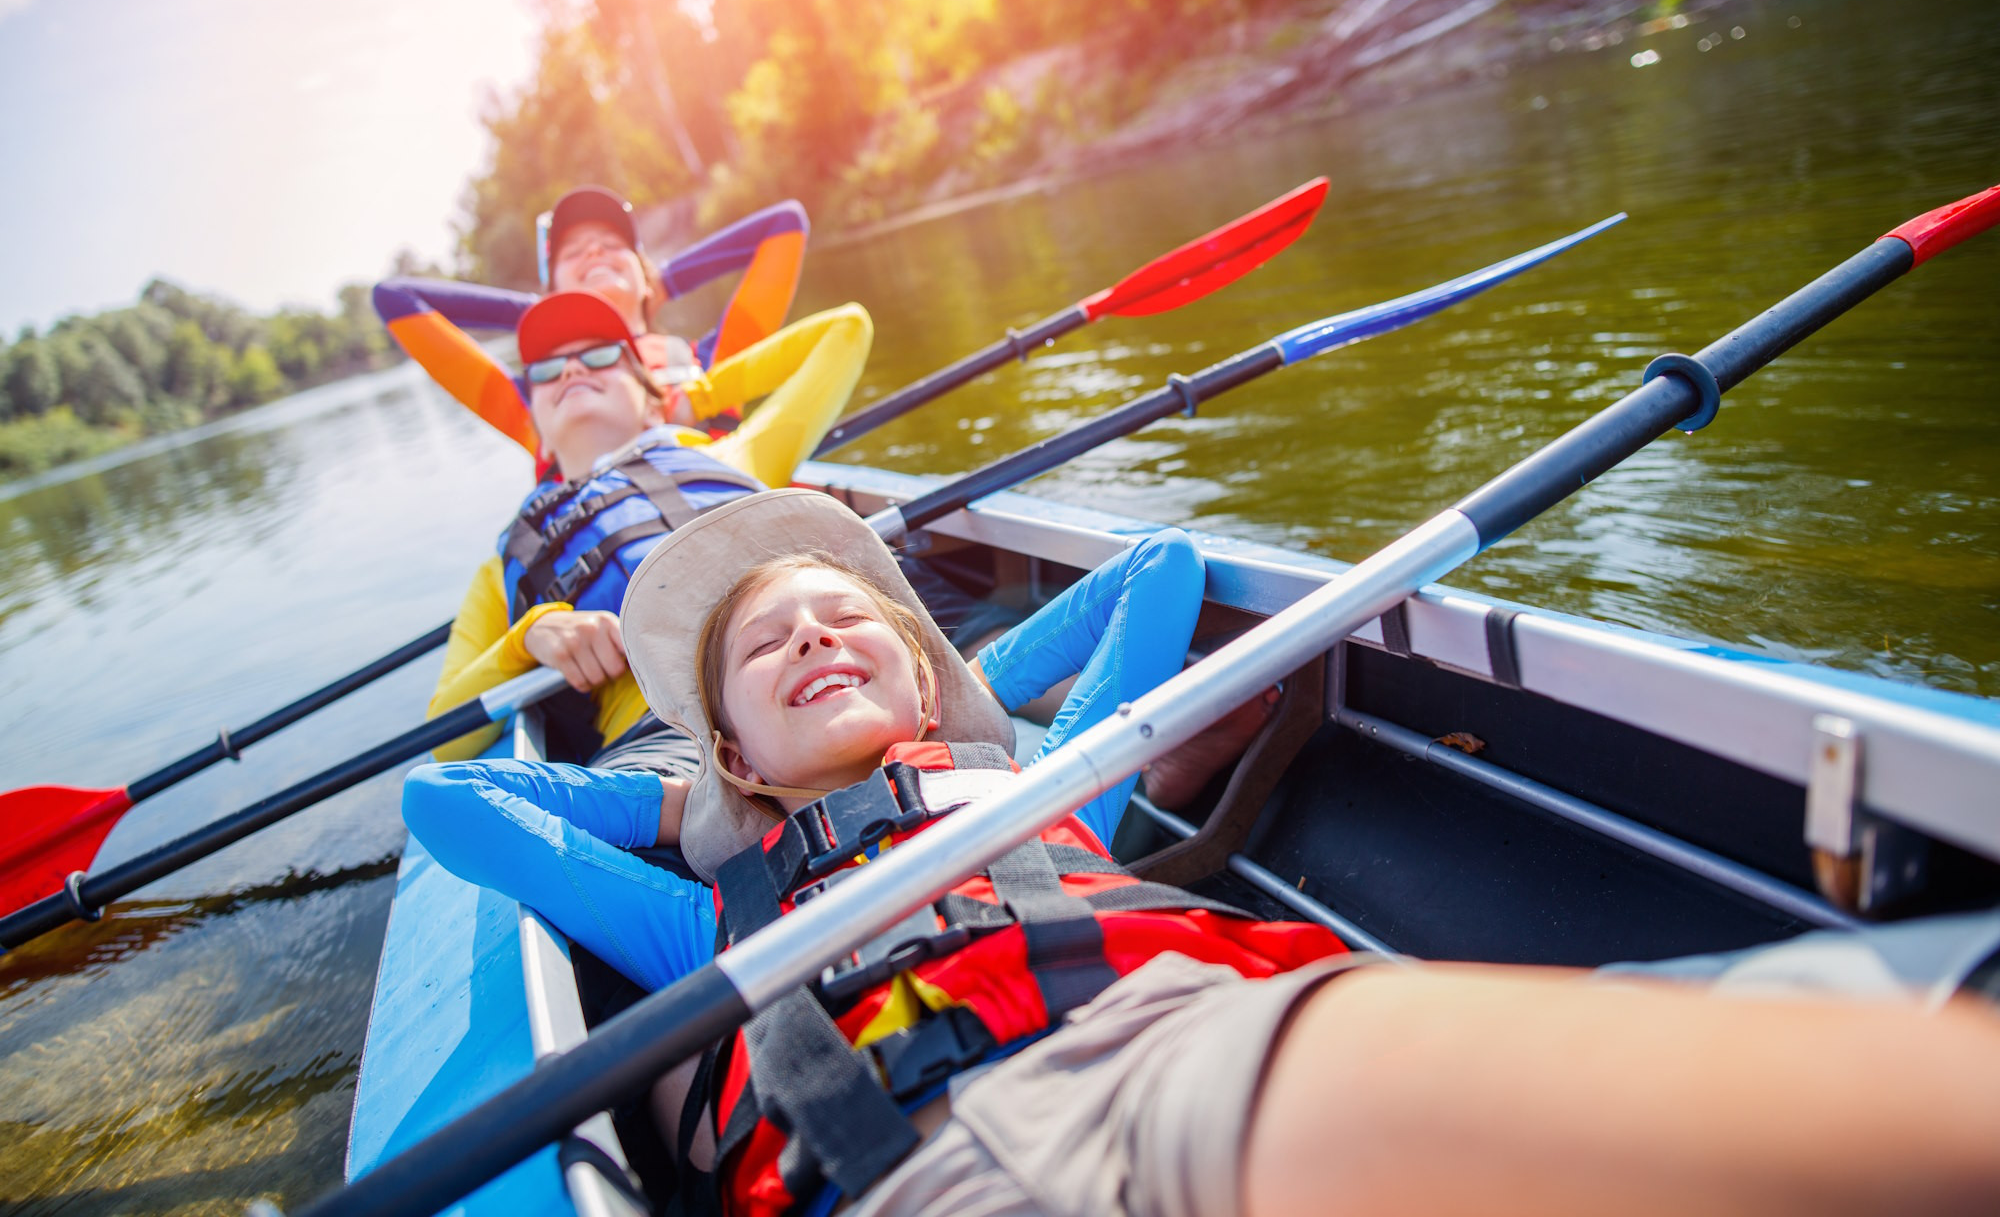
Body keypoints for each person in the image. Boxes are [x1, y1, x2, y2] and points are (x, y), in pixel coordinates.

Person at [404, 489, 2000, 1216]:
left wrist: (967, 707)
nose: (818, 633)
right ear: (731, 746)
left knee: (1887, 1084)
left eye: (849, 621)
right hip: (936, 1162)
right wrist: (691, 803)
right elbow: (457, 808)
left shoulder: (1052, 793)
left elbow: (1158, 568)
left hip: (1203, 1038)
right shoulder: (712, 927)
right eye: (772, 649)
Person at [423, 290, 868, 770]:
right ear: (540, 432)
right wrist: (527, 639)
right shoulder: (503, 567)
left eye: (599, 356)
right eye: (546, 371)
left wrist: (697, 396)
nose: (571, 371)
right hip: (666, 741)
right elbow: (447, 740)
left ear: (651, 401)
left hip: (818, 667)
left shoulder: (732, 455)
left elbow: (846, 327)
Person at [373, 187, 835, 459]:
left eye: (612, 245)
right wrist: (552, 309)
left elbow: (786, 224)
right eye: (573, 253)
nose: (594, 252)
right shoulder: (536, 399)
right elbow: (395, 298)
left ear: (643, 270)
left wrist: (659, 283)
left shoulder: (714, 363)